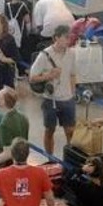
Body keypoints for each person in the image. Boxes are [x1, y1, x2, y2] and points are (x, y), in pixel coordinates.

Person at [30, 25, 77, 155]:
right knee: (50, 130)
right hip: (50, 99)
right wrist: (49, 76)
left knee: (70, 131)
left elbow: (72, 74)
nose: (68, 40)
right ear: (56, 38)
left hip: (67, 99)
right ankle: (50, 158)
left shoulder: (72, 54)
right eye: (66, 37)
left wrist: (72, 94)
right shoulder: (44, 55)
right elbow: (32, 77)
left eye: (70, 38)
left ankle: (70, 157)